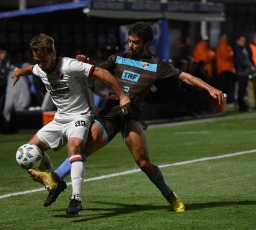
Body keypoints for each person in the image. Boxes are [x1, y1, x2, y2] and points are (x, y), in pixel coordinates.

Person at [28, 22, 224, 212]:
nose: (131, 45)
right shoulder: (117, 58)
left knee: (144, 164)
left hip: (131, 117)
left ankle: (170, 196)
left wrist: (210, 88)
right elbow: (96, 74)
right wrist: (86, 65)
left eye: (136, 42)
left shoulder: (156, 65)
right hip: (110, 114)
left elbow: (185, 76)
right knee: (80, 150)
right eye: (129, 41)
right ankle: (55, 181)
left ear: (147, 44)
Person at [11, 33, 130, 215]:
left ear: (53, 54)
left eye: (43, 60)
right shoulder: (40, 67)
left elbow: (102, 72)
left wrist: (121, 95)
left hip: (80, 115)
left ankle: (76, 198)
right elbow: (31, 69)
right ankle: (56, 183)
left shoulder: (70, 65)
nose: (40, 65)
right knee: (29, 151)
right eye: (37, 60)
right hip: (60, 118)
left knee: (74, 148)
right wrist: (19, 72)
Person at [233, 34, 256, 111]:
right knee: (241, 90)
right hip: (241, 72)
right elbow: (241, 60)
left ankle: (243, 105)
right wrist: (250, 66)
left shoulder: (243, 48)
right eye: (242, 40)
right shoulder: (237, 49)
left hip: (244, 72)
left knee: (243, 89)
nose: (244, 42)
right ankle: (241, 106)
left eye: (244, 40)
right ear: (238, 40)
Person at [216, 34, 236, 104]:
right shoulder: (222, 46)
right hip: (224, 69)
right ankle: (222, 101)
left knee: (227, 87)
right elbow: (227, 55)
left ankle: (226, 101)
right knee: (224, 87)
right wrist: (230, 54)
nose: (225, 39)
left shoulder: (226, 46)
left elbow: (231, 54)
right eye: (223, 38)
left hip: (228, 69)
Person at [247, 33, 256, 111]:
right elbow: (249, 58)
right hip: (252, 70)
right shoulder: (250, 47)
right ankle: (252, 105)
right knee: (251, 88)